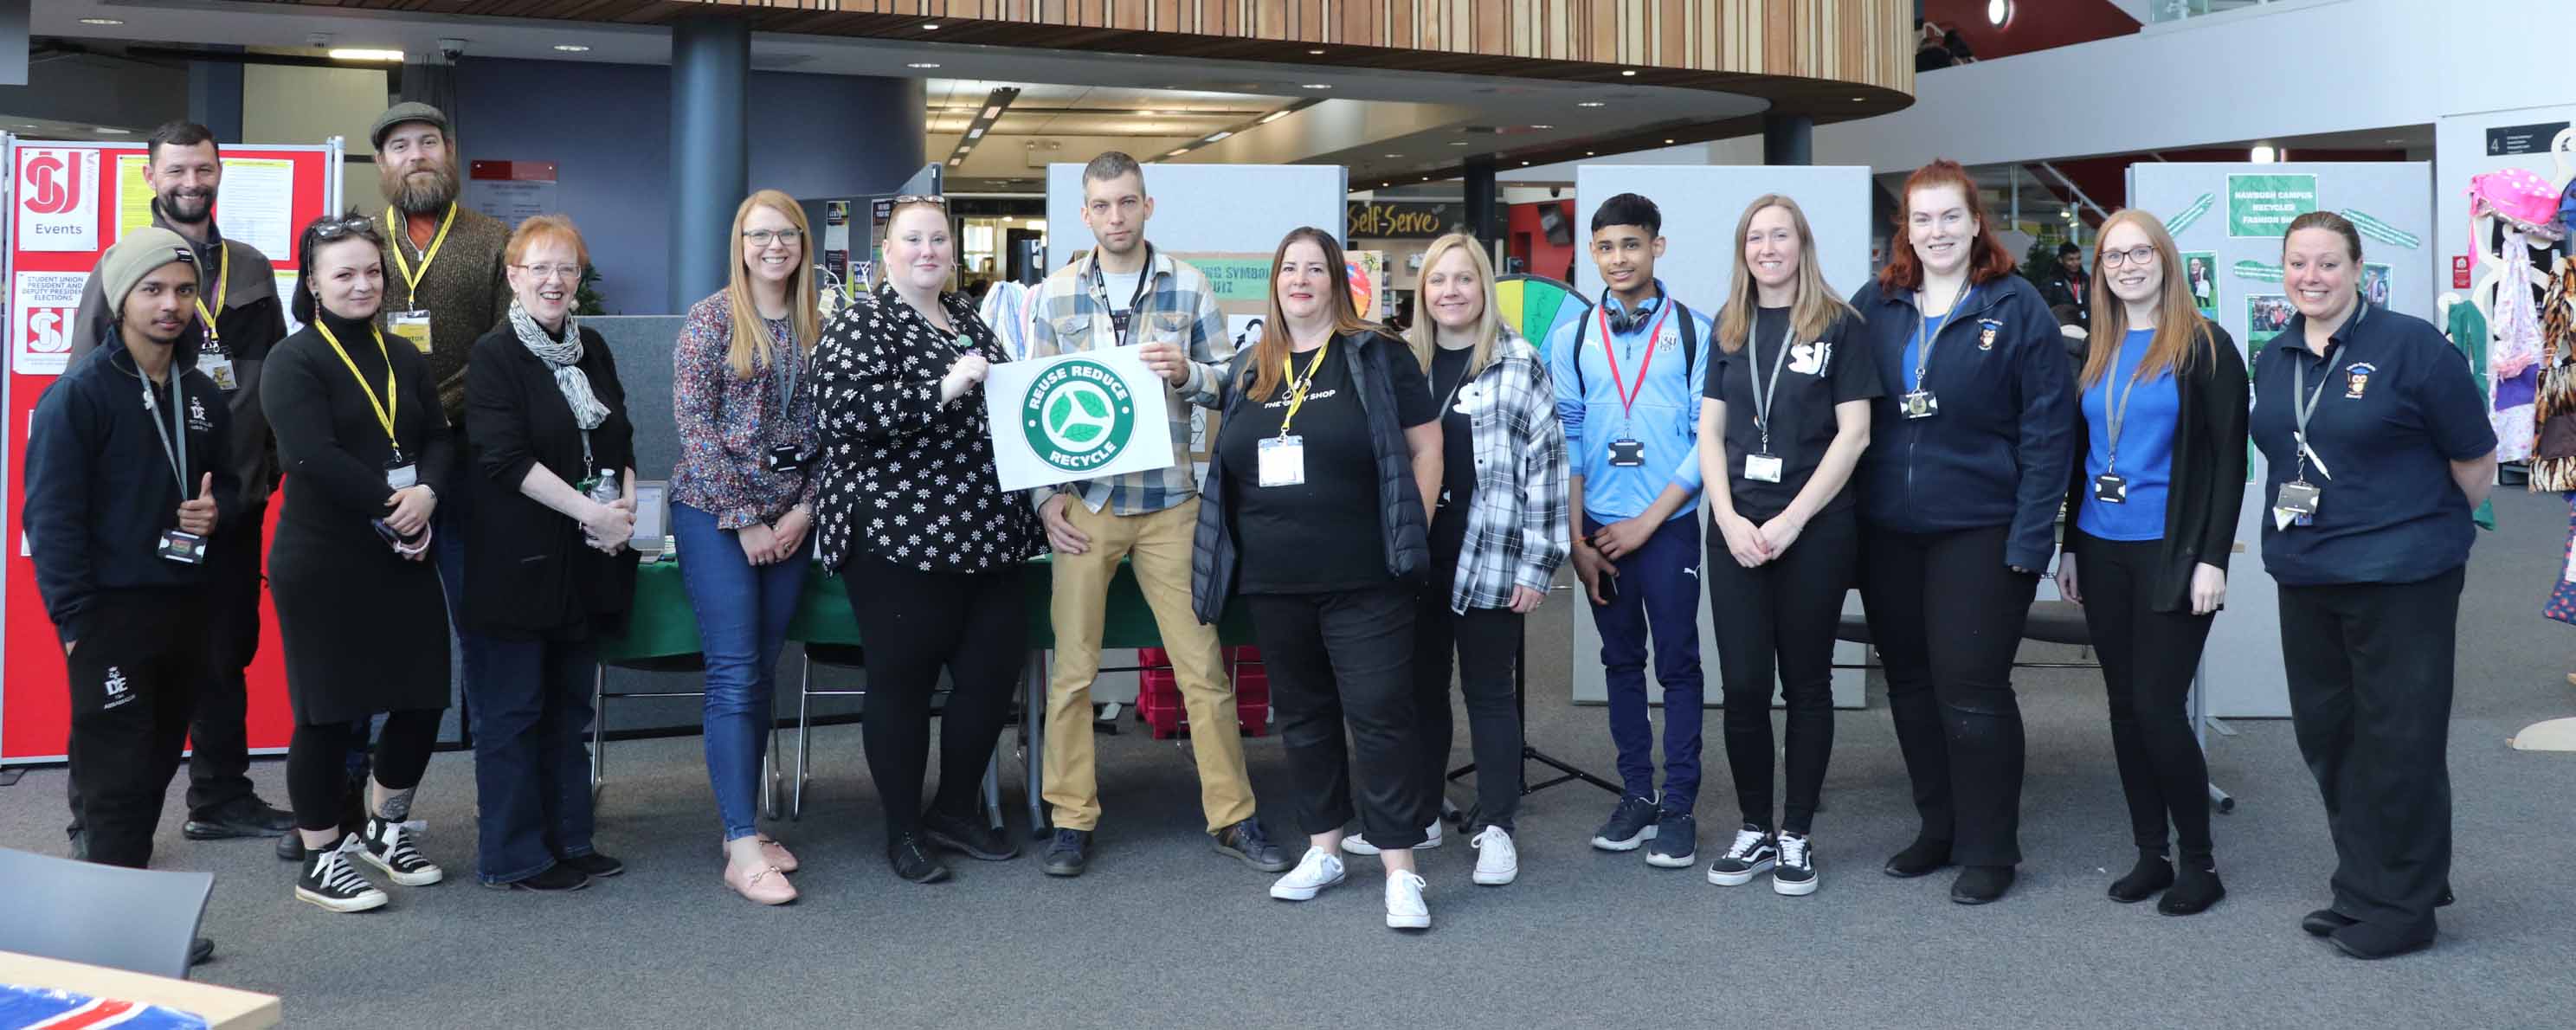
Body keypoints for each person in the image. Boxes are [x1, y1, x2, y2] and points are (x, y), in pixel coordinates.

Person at [1023, 152, 1285, 878]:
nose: (1116, 216)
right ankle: (1071, 819)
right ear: (1085, 214)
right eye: (1102, 205)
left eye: (1127, 203)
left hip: (1170, 503)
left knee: (1202, 670)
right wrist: (1046, 502)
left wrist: (1190, 374)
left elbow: (1233, 386)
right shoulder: (1054, 298)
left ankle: (1233, 817)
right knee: (1072, 673)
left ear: (1148, 206)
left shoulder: (1188, 286)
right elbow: (1031, 415)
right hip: (1086, 504)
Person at [2252, 211, 2496, 959]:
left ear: (2358, 270)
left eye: (2328, 263)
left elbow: (2475, 463)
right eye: (2298, 263)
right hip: (2308, 572)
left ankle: (2406, 905)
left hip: (2402, 579)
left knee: (2401, 740)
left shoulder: (2412, 347)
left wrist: (2417, 530)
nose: (2311, 278)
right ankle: (2363, 886)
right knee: (2333, 736)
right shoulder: (2278, 354)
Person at [1192, 226, 1441, 929]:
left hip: (1366, 575)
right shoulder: (1253, 366)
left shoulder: (1376, 354)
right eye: (1288, 269)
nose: (1300, 280)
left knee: (1381, 715)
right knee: (1303, 719)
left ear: (1337, 280)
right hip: (1275, 581)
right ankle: (1324, 849)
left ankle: (1400, 868)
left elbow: (1428, 447)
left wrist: (1409, 528)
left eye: (1314, 269)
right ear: (1275, 283)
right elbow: (1233, 462)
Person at [61, 120, 293, 852]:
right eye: (176, 171)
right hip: (147, 521)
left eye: (203, 169)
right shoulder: (123, 266)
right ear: (149, 177)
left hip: (231, 503)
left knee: (222, 654)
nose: (190, 182)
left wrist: (261, 472)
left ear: (220, 172)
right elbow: (85, 385)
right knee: (125, 672)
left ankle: (220, 795)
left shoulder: (251, 268)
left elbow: (278, 377)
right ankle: (92, 821)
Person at [1850, 158, 2074, 905]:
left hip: (1982, 529)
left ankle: (1991, 847)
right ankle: (1937, 828)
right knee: (1911, 685)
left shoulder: (2017, 309)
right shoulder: (1876, 306)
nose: (1937, 231)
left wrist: (2031, 542)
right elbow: (1845, 418)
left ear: (1976, 222)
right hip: (1889, 534)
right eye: (1923, 219)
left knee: (1970, 688)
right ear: (1905, 229)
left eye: (1951, 217)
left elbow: (2049, 434)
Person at [807, 194, 1039, 884]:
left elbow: (1003, 407)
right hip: (897, 535)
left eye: (939, 239)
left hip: (988, 533)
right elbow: (841, 413)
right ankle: (903, 829)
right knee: (903, 685)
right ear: (887, 252)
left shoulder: (967, 316)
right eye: (913, 240)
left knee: (992, 679)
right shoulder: (861, 321)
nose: (928, 251)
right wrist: (941, 388)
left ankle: (956, 810)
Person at [2052, 210, 2247, 917]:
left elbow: (2229, 463)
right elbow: (2083, 455)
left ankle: (2201, 862)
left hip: (2174, 553)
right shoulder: (2098, 346)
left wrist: (2212, 560)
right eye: (2113, 256)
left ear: (2165, 259)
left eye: (2140, 253)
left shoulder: (2205, 346)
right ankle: (2150, 854)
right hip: (2101, 548)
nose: (2128, 265)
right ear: (2099, 268)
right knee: (2124, 709)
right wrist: (2070, 545)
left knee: (2159, 708)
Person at [24, 231, 235, 879]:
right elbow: (51, 519)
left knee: (153, 764)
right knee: (115, 772)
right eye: (153, 290)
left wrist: (216, 508)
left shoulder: (200, 393)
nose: (170, 304)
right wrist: (76, 625)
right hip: (109, 616)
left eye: (183, 290)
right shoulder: (79, 395)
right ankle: (114, 936)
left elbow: (225, 478)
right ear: (121, 301)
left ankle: (123, 912)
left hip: (184, 610)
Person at [263, 213, 456, 912]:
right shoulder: (295, 360)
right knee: (328, 711)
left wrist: (427, 494)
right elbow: (310, 456)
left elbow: (438, 433)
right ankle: (320, 858)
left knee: (423, 695)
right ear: (312, 282)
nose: (361, 284)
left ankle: (384, 828)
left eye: (372, 271)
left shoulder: (403, 354)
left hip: (405, 548)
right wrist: (393, 504)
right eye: (343, 273)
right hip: (325, 559)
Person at [1694, 195, 1878, 897]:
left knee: (1806, 684)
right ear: (1744, 250)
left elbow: (1854, 435)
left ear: (1803, 243)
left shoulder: (1840, 325)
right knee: (1742, 686)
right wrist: (1730, 517)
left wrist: (1794, 521)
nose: (1767, 248)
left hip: (1815, 529)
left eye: (1780, 235)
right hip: (1736, 532)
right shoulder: (1729, 325)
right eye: (1755, 238)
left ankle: (1797, 833)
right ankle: (1752, 827)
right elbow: (1710, 433)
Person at [1374, 232, 1568, 887]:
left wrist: (1538, 564)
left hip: (1492, 550)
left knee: (1488, 693)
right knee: (1419, 689)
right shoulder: (1402, 363)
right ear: (1421, 291)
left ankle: (1498, 827)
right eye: (1437, 281)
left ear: (1485, 287)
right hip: (1415, 553)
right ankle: (1424, 811)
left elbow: (1548, 467)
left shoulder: (1519, 361)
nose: (1450, 292)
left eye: (1463, 279)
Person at [461, 215, 639, 892]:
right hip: (519, 563)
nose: (555, 280)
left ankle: (571, 838)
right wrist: (591, 512)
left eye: (567, 268)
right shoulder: (495, 355)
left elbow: (621, 436)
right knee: (514, 711)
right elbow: (506, 459)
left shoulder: (592, 347)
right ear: (513, 277)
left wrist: (621, 511)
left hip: (591, 558)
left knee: (570, 708)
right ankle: (516, 854)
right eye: (540, 267)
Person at [1547, 192, 1714, 869]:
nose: (1620, 258)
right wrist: (1576, 540)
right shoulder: (1571, 337)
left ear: (1657, 247)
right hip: (1600, 536)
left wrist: (1648, 520)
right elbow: (1571, 438)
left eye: (1632, 245)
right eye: (1607, 247)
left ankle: (1679, 806)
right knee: (1621, 666)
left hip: (1666, 527)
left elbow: (1708, 439)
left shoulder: (1697, 330)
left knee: (1677, 667)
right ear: (1593, 253)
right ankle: (1637, 796)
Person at [671, 190, 821, 905]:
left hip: (794, 516)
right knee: (733, 672)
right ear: (740, 242)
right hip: (715, 515)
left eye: (786, 234)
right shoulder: (710, 320)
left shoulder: (819, 323)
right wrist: (746, 518)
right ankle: (738, 844)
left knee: (762, 672)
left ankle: (749, 826)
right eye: (759, 234)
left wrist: (805, 510)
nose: (774, 246)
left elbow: (840, 431)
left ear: (802, 243)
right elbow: (695, 430)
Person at [2040, 242, 2091, 330]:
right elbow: (2045, 311)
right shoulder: (2051, 283)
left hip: (2087, 330)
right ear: (2060, 260)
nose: (2075, 263)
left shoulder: (2087, 281)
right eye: (2070, 259)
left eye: (2078, 258)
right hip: (2064, 331)